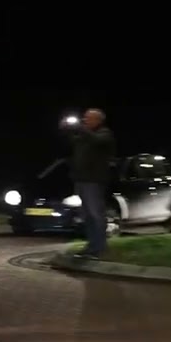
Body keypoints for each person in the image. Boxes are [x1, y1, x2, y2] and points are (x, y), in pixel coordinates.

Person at [64, 108, 116, 259]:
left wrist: (81, 129)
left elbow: (97, 141)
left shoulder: (105, 134)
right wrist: (68, 131)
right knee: (87, 216)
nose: (84, 120)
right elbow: (72, 143)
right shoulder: (84, 136)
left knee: (96, 215)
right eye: (84, 118)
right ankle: (91, 246)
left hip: (94, 181)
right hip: (82, 180)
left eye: (88, 118)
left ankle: (99, 247)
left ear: (98, 120)